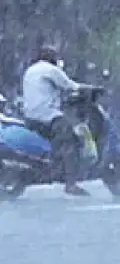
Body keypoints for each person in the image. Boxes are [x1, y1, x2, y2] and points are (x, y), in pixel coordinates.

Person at [21, 45, 90, 196]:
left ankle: (56, 164)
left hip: (29, 117)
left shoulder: (30, 70)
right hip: (47, 115)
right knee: (70, 139)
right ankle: (71, 184)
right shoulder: (51, 70)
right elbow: (71, 86)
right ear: (51, 57)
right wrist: (91, 89)